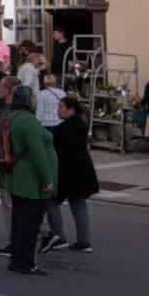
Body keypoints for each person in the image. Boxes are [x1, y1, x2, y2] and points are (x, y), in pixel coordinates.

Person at [3, 83, 58, 275]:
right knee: (30, 225)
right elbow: (38, 153)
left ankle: (16, 261)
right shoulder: (28, 121)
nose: (36, 100)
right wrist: (47, 179)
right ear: (27, 100)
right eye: (33, 97)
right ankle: (26, 263)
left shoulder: (12, 117)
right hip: (31, 180)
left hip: (18, 176)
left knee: (19, 223)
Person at [48, 95, 97, 253]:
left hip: (67, 174)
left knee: (51, 201)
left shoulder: (63, 129)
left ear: (71, 110)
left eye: (61, 107)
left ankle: (59, 237)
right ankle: (84, 241)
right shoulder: (81, 126)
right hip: (83, 172)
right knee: (79, 205)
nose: (58, 110)